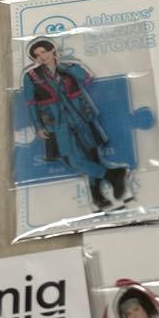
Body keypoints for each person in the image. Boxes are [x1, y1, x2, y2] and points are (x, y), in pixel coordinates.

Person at [23, 38, 131, 211]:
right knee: (72, 159)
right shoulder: (31, 76)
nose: (41, 57)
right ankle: (113, 174)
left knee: (92, 156)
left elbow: (87, 79)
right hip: (56, 123)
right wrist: (38, 127)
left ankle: (98, 198)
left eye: (43, 51)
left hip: (81, 116)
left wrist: (66, 67)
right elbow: (31, 103)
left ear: (52, 50)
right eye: (37, 55)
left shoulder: (68, 67)